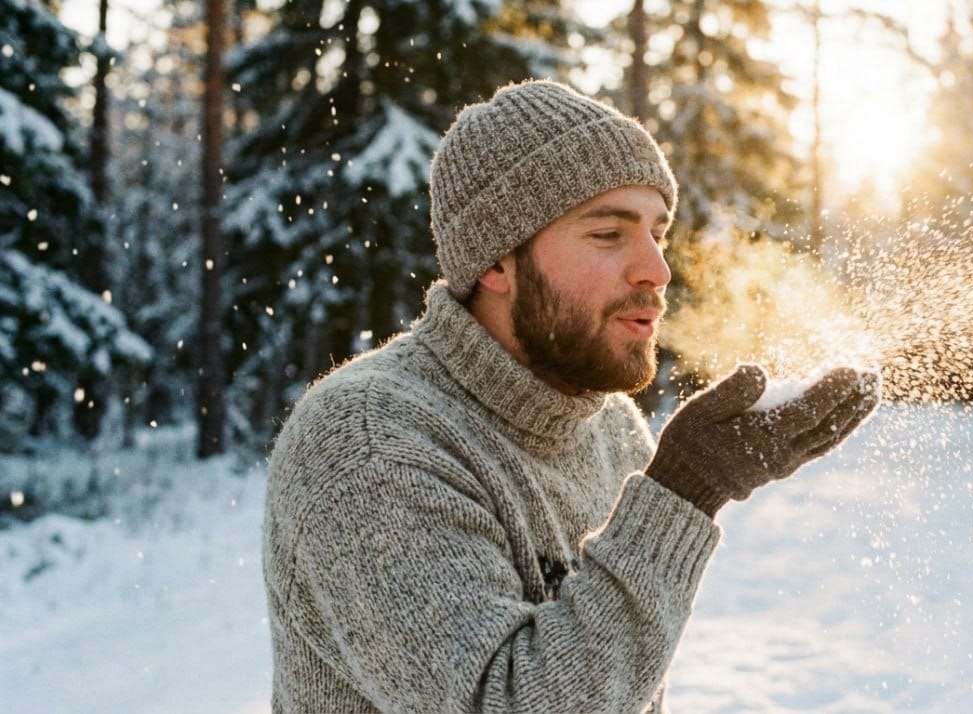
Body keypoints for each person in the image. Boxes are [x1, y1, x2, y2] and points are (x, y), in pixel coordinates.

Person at [262, 79, 880, 713]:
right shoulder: (367, 440)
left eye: (658, 233)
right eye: (608, 234)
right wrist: (685, 491)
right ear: (495, 262)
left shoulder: (611, 428)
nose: (657, 270)